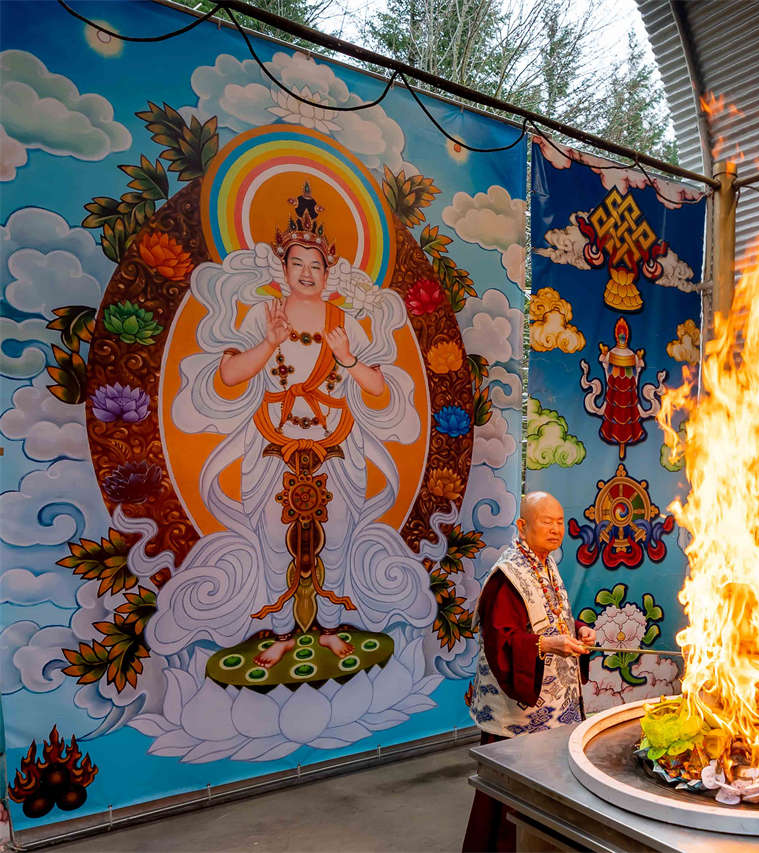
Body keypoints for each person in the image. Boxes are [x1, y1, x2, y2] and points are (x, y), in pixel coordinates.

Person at [151, 183, 436, 664]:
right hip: (272, 442)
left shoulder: (344, 321)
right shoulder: (264, 314)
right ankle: (280, 630)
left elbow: (377, 388)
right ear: (283, 269)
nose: (306, 273)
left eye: (315, 265)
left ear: (328, 273)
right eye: (297, 263)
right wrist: (268, 343)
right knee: (272, 540)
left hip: (336, 444)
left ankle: (331, 626)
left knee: (338, 539)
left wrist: (347, 358)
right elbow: (229, 374)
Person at [462, 492, 597, 853]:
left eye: (559, 522)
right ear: (522, 526)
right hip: (519, 714)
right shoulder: (508, 576)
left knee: (547, 792)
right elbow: (502, 640)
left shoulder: (545, 563)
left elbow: (548, 619)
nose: (555, 529)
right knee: (510, 801)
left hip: (554, 706)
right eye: (546, 521)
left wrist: (578, 630)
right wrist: (549, 644)